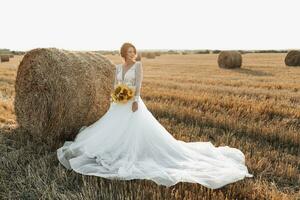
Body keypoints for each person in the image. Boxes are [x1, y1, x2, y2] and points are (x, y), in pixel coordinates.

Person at [56, 42, 254, 189]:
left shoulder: (138, 67)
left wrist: (134, 100)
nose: (132, 54)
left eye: (134, 51)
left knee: (134, 131)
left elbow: (139, 85)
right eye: (129, 52)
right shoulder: (118, 68)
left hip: (133, 103)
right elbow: (116, 85)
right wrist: (115, 97)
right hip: (118, 103)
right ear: (123, 54)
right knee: (110, 130)